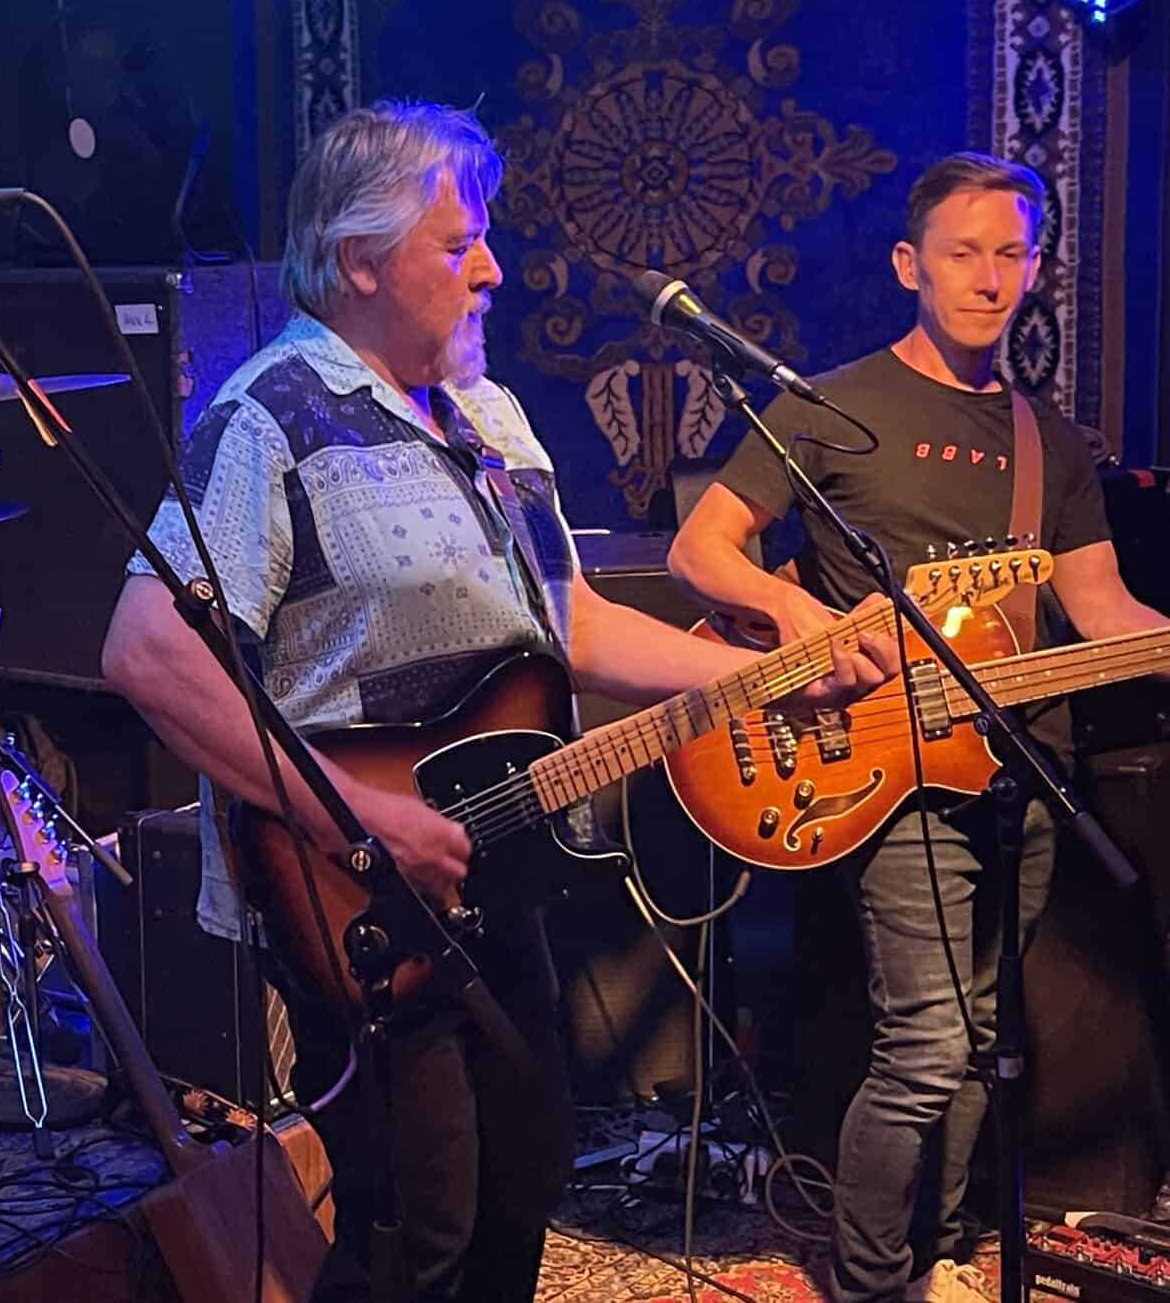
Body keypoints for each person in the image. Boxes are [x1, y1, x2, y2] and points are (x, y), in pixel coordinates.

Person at [99, 100, 898, 1302]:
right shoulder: (267, 418)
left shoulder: (489, 417)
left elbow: (566, 627)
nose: (492, 270)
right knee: (415, 1226)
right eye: (457, 244)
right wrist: (351, 819)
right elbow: (146, 650)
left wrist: (773, 672)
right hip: (352, 897)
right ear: (359, 260)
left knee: (524, 1177)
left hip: (496, 869)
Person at [666, 152, 1170, 1303]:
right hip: (884, 773)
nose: (987, 278)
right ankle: (870, 1281)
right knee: (926, 1045)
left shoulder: (1048, 443)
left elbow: (1099, 610)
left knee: (987, 1038)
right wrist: (800, 617)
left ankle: (938, 1254)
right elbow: (700, 550)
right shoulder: (827, 409)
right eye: (962, 253)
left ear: (1033, 269)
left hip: (1020, 765)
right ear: (909, 265)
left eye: (1010, 255)